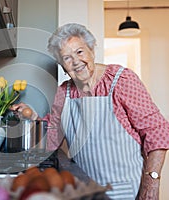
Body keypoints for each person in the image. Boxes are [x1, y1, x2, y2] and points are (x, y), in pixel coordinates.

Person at [10, 23, 169, 199]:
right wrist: (33, 118)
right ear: (62, 66)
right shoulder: (65, 93)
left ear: (92, 50)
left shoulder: (120, 80)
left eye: (79, 52)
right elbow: (53, 139)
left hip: (127, 190)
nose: (76, 61)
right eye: (67, 58)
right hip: (86, 190)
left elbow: (157, 130)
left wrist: (151, 182)